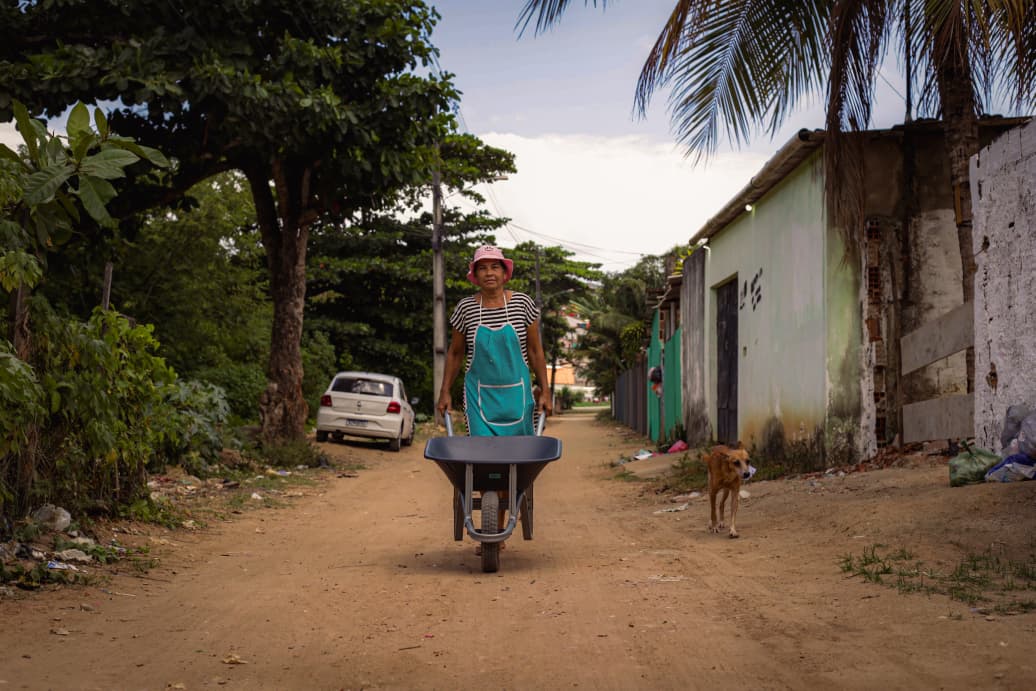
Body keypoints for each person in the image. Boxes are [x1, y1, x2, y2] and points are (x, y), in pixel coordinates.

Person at [437, 245, 553, 434]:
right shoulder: (465, 308)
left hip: (519, 396)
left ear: (504, 272)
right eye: (482, 268)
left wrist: (545, 391)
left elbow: (535, 351)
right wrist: (444, 391)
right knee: (482, 455)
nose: (489, 273)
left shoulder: (523, 304)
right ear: (475, 274)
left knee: (520, 455)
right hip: (479, 398)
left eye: (494, 267)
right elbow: (456, 353)